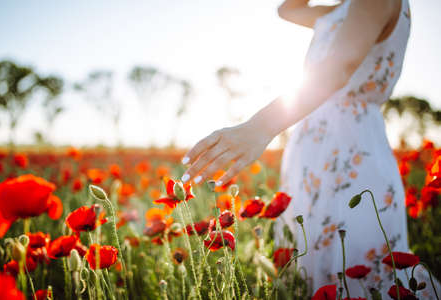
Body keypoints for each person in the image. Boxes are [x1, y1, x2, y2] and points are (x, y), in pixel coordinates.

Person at [181, 0, 439, 298]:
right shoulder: (335, 11)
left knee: (358, 269)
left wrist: (259, 127)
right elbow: (287, 9)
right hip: (312, 152)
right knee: (310, 260)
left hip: (352, 150)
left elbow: (341, 66)